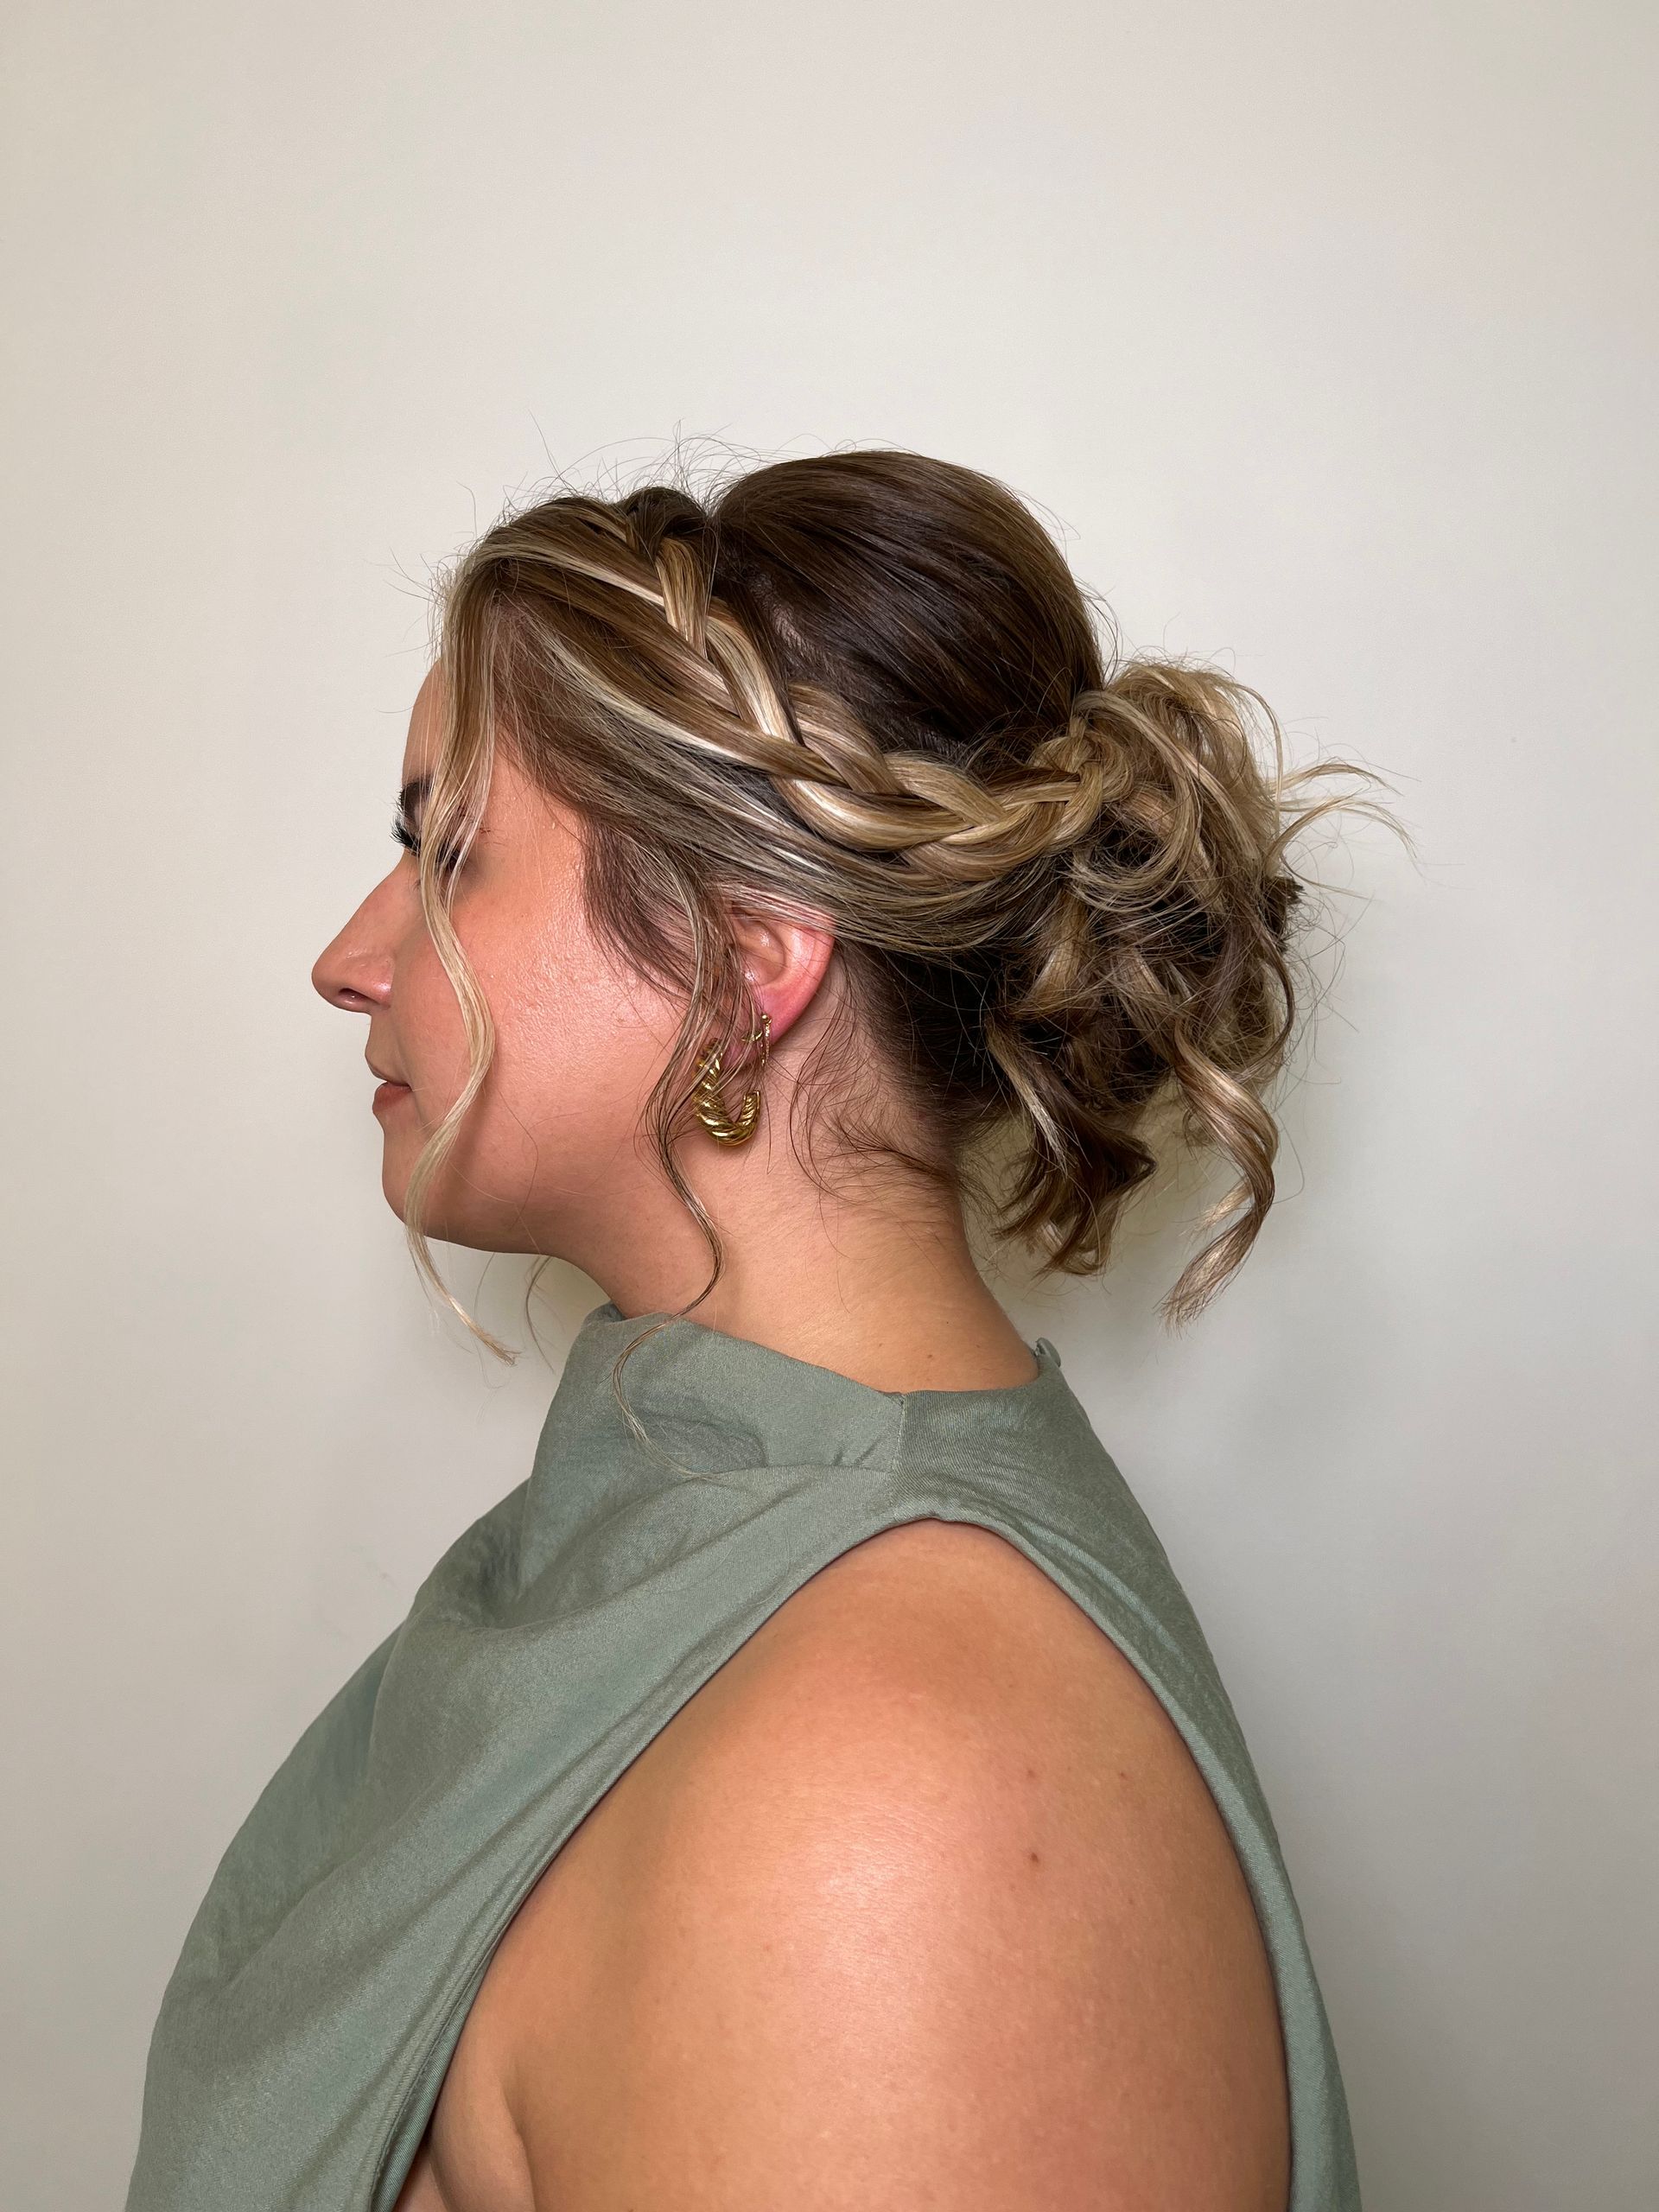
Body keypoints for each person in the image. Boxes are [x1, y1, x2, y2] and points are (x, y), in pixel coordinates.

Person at [126, 448, 1390, 2211]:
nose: (351, 957)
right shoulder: (677, 1532)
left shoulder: (898, 1804)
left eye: (452, 847)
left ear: (739, 964)